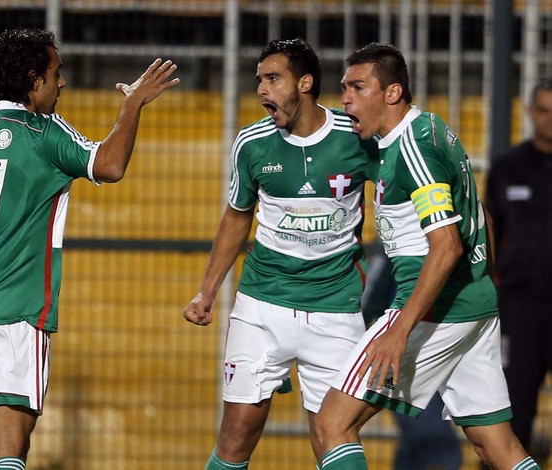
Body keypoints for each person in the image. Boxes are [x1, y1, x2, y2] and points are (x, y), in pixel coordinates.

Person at [0, 27, 179, 470]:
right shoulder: (42, 132)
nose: (62, 83)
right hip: (15, 310)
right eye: (56, 73)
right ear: (33, 79)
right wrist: (132, 104)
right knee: (8, 452)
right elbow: (109, 164)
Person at [314, 42, 541, 470]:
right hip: (472, 307)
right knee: (498, 447)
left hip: (432, 312)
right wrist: (481, 284)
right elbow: (484, 219)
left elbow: (448, 245)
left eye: (358, 87)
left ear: (393, 92)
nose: (346, 98)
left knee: (332, 425)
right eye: (344, 87)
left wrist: (398, 331)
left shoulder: (412, 149)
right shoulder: (431, 130)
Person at [182, 38, 377, 469]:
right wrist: (207, 291)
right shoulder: (251, 143)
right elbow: (237, 218)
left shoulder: (357, 136)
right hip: (262, 305)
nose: (261, 90)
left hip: (335, 309)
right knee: (236, 433)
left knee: (335, 433)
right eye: (259, 80)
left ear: (305, 83)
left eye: (273, 78)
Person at [485, 78, 552, 463]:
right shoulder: (508, 168)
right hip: (519, 309)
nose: (549, 119)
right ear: (529, 113)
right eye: (543, 110)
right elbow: (490, 233)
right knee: (513, 409)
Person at [361, 242, 463, 470]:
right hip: (398, 358)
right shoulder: (387, 251)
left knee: (416, 446)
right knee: (437, 445)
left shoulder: (449, 243)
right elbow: (365, 306)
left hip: (439, 353)